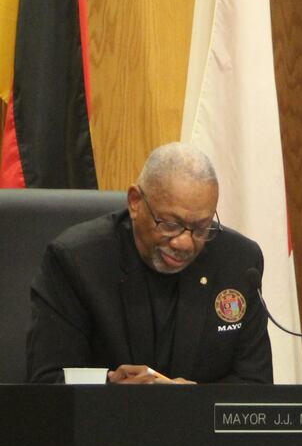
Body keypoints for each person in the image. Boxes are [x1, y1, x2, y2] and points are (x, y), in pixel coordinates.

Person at [27, 143, 273, 384]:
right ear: (135, 202)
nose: (185, 243)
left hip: (197, 424)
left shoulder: (239, 261)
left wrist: (198, 400)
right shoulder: (76, 260)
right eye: (170, 224)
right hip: (108, 421)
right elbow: (48, 381)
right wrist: (111, 387)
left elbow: (255, 385)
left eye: (201, 227)